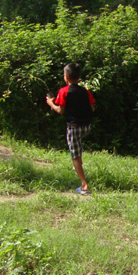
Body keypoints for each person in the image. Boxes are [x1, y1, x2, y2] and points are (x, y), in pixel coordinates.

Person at [46, 62, 95, 195]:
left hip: (73, 128)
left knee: (75, 155)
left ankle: (84, 185)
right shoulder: (85, 91)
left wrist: (50, 103)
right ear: (79, 77)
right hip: (87, 126)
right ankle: (80, 171)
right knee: (78, 151)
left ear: (66, 77)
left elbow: (60, 110)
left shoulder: (63, 91)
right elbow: (92, 108)